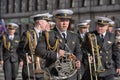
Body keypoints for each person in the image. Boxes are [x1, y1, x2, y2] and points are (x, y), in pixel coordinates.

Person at [35, 9, 82, 80]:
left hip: (71, 75)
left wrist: (78, 60)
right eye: (62, 21)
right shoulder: (48, 34)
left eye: (67, 21)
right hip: (54, 74)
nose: (65, 23)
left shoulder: (74, 36)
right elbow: (39, 51)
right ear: (56, 20)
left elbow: (78, 51)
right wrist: (56, 55)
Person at [17, 13, 49, 80]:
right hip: (31, 69)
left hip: (43, 69)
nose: (47, 24)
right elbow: (20, 49)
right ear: (40, 22)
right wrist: (26, 58)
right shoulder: (28, 34)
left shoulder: (45, 34)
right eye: (46, 21)